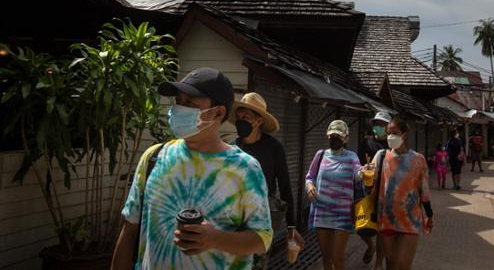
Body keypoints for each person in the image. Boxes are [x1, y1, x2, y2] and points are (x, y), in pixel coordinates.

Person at [111, 68, 273, 270]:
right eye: (179, 100)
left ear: (218, 112)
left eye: (190, 103)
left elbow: (262, 240)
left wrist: (216, 239)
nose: (179, 108)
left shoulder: (245, 169)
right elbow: (129, 228)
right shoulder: (154, 156)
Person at [230, 92, 304, 269]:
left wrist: (291, 226)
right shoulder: (232, 148)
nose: (242, 120)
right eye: (239, 116)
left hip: (262, 217)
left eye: (247, 117)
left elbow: (285, 186)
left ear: (259, 121)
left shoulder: (273, 148)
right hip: (233, 215)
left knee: (257, 263)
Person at [373, 117, 433, 270]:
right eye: (388, 133)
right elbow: (369, 182)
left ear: (404, 134)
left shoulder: (418, 160)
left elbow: (424, 190)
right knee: (391, 264)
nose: (390, 137)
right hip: (387, 218)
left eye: (394, 133)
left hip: (410, 220)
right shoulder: (381, 156)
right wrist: (362, 174)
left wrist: (429, 215)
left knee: (403, 265)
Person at [305, 120, 361, 270]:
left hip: (342, 214)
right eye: (332, 135)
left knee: (338, 256)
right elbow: (309, 176)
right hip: (322, 211)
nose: (335, 138)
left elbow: (359, 175)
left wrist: (366, 172)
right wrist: (310, 186)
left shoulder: (352, 157)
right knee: (326, 256)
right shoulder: (321, 155)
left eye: (339, 136)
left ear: (346, 139)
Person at [357, 111, 391, 268]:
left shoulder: (392, 145)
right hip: (366, 190)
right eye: (376, 124)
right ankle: (370, 246)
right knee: (360, 225)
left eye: (382, 125)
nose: (378, 127)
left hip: (386, 192)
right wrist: (363, 170)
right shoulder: (366, 143)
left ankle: (378, 263)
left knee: (382, 231)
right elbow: (357, 165)